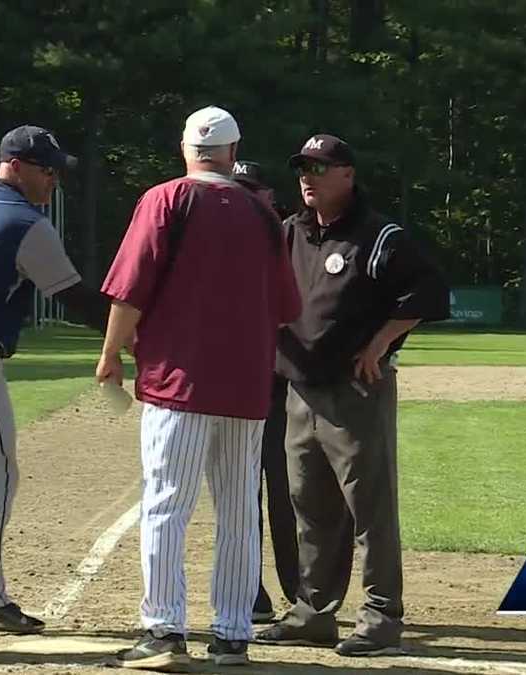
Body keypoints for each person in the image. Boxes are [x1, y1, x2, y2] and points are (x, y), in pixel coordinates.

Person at [96, 106, 301, 670]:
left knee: (167, 504)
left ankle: (164, 631)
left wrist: (112, 351)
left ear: (186, 148)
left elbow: (130, 289)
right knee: (238, 509)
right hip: (245, 385)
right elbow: (285, 307)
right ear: (234, 153)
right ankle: (233, 634)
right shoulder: (263, 213)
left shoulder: (166, 199)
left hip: (178, 382)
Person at [253, 134, 449, 657]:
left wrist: (382, 342)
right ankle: (313, 613)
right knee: (309, 508)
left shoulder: (378, 235)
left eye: (320, 168)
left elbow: (429, 291)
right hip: (298, 392)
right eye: (302, 168)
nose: (308, 177)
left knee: (370, 508)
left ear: (348, 175)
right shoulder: (290, 231)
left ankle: (382, 616)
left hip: (355, 394)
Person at [0, 125, 110, 634]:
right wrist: (132, 327)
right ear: (13, 165)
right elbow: (78, 300)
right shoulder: (26, 223)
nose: (53, 181)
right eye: (46, 170)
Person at [231, 160, 300, 623]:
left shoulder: (291, 238)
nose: (244, 198)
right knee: (240, 493)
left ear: (269, 197)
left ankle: (301, 592)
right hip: (236, 385)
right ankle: (250, 589)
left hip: (283, 387)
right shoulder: (220, 242)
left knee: (289, 492)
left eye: (252, 191)